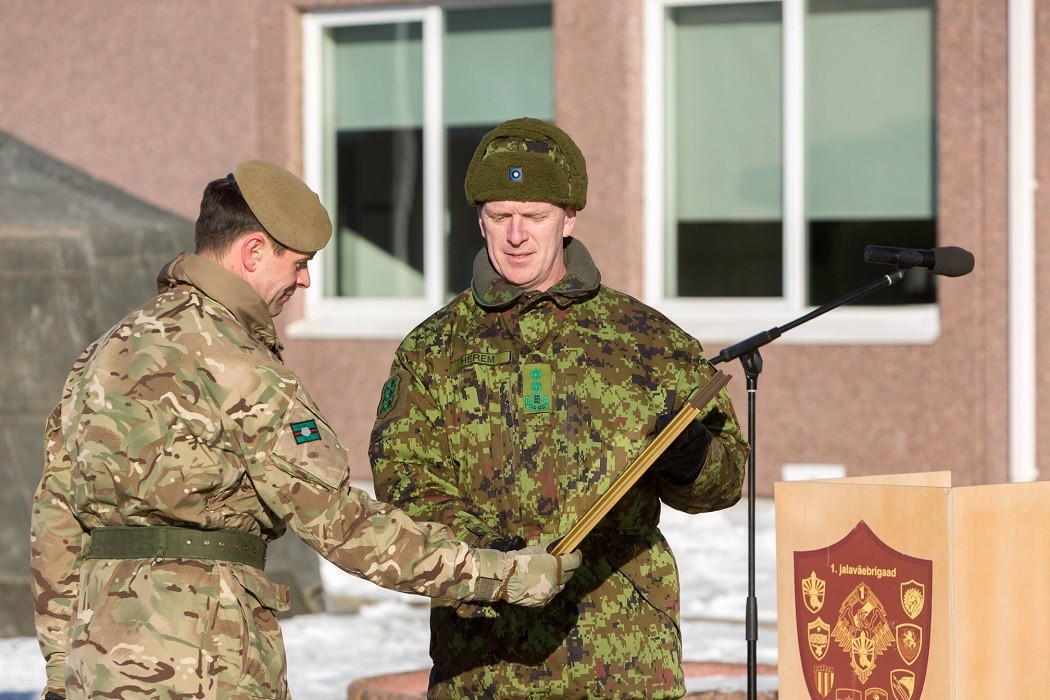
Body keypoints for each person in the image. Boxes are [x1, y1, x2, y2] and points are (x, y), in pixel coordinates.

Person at [29, 160, 582, 700]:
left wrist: (63, 663)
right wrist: (500, 575)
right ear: (252, 252)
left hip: (95, 659)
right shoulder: (238, 364)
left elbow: (55, 515)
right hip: (204, 657)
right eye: (298, 262)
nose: (305, 279)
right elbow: (340, 521)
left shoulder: (105, 353)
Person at [369, 117, 750, 699]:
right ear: (480, 219)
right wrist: (497, 560)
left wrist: (691, 456)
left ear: (569, 218)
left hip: (623, 660)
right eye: (500, 216)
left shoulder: (644, 339)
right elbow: (405, 484)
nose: (516, 235)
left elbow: (726, 480)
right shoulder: (434, 350)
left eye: (536, 216)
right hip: (486, 663)